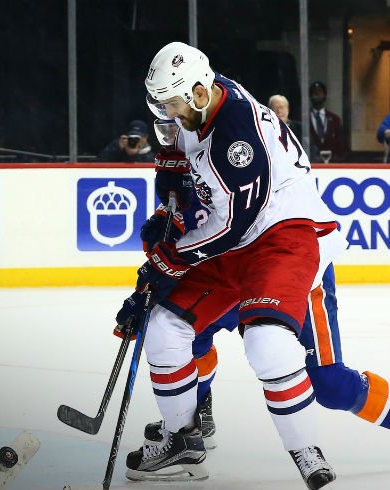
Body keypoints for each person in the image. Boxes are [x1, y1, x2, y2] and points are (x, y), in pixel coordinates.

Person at [129, 157, 390, 477]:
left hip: (290, 273)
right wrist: (162, 241)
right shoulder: (196, 149)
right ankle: (191, 421)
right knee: (184, 335)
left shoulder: (255, 161)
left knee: (329, 385)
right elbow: (187, 214)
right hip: (227, 274)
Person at [123, 41, 347, 489]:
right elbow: (186, 164)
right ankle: (182, 441)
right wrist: (170, 190)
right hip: (239, 239)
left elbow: (231, 224)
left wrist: (172, 258)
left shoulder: (237, 135)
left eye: (172, 105)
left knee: (267, 342)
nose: (168, 115)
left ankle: (307, 451)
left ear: (199, 94)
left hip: (281, 234)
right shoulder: (201, 101)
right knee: (166, 327)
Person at [307, 82, 348, 163]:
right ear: (310, 96)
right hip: (310, 164)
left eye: (320, 92)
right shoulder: (302, 119)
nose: (317, 95)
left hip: (332, 165)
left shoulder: (335, 119)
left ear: (325, 95)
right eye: (314, 93)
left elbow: (342, 145)